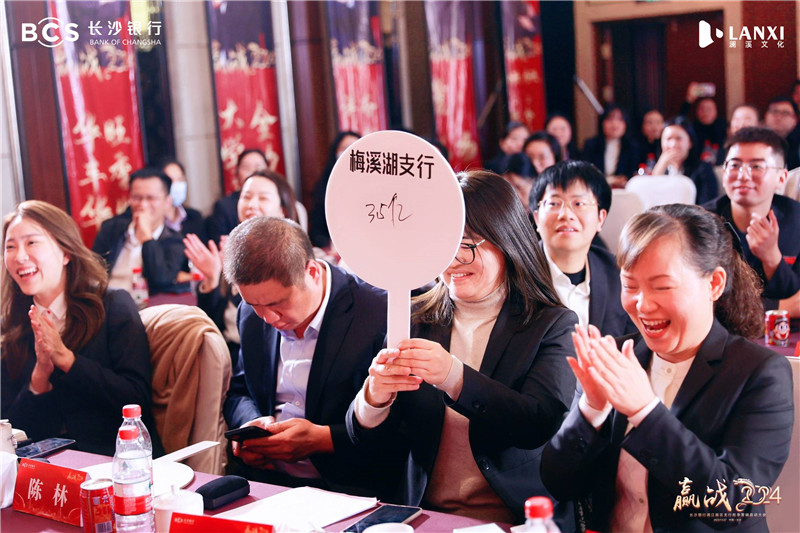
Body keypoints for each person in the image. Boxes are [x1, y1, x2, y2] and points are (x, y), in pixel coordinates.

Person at [541, 203, 794, 532]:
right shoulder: (616, 356)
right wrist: (591, 410)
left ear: (714, 283)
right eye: (630, 286)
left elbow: (733, 503)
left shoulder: (760, 373)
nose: (643, 305)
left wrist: (644, 411)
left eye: (662, 286)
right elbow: (558, 485)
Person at [346, 172, 578, 527]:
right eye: (441, 247)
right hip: (424, 516)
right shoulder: (413, 318)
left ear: (506, 240)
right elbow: (373, 447)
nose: (452, 261)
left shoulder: (551, 323)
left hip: (513, 518)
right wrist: (373, 400)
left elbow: (538, 423)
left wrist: (453, 376)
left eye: (466, 245)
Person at [221, 216, 398, 497]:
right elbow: (240, 392)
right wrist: (251, 428)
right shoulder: (251, 314)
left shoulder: (377, 313)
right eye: (254, 304)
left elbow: (402, 428)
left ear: (312, 272)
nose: (267, 318)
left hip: (349, 489)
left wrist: (322, 440)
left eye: (277, 304)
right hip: (266, 482)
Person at [2, 201, 160, 456]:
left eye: (31, 242)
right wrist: (39, 377)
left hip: (117, 461)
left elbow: (136, 398)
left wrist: (67, 360)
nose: (20, 256)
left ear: (66, 253)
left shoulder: (111, 305)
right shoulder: (9, 327)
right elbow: (10, 431)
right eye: (10, 246)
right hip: (42, 468)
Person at [184, 171, 300, 366]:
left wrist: (242, 277)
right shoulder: (230, 252)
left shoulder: (295, 257)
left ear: (283, 210)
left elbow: (271, 322)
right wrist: (212, 279)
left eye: (263, 198)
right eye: (246, 197)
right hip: (228, 357)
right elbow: (211, 326)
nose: (251, 204)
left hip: (275, 358)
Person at [531, 160, 636, 337]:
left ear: (600, 218)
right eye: (554, 203)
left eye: (579, 203)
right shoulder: (515, 275)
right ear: (536, 219)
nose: (566, 214)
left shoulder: (619, 275)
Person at [703, 127, 800, 310]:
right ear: (724, 173)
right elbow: (704, 299)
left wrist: (772, 258)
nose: (743, 176)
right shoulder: (702, 222)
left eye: (756, 166)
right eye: (735, 165)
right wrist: (782, 306)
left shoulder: (796, 219)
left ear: (781, 178)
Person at [92, 167, 186, 297]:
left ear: (167, 202)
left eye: (151, 198)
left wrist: (147, 238)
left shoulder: (174, 241)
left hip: (147, 306)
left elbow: (161, 280)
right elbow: (93, 270)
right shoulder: (111, 229)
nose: (142, 205)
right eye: (137, 197)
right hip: (106, 300)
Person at [309, 131, 361, 250]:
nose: (349, 152)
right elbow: (317, 228)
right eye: (344, 148)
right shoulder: (324, 185)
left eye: (354, 147)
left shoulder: (373, 185)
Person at [206, 148, 270, 244]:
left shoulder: (281, 199)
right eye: (246, 167)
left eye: (258, 167)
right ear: (236, 172)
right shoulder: (224, 206)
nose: (253, 172)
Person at [650, 117, 719, 204]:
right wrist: (660, 167)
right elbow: (650, 200)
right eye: (668, 139)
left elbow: (708, 204)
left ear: (690, 142)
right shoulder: (660, 170)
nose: (673, 144)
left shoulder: (703, 169)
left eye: (678, 138)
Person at [581, 105, 641, 186]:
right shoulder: (591, 145)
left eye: (620, 119)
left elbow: (632, 173)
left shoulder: (632, 146)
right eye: (610, 119)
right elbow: (587, 172)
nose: (614, 124)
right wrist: (611, 180)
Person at [160, 158, 205, 241]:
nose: (176, 185)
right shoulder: (155, 220)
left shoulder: (194, 217)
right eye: (171, 180)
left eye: (180, 180)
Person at [763, 96, 800, 170]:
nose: (778, 117)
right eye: (774, 111)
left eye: (785, 113)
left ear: (795, 120)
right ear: (765, 116)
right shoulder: (756, 141)